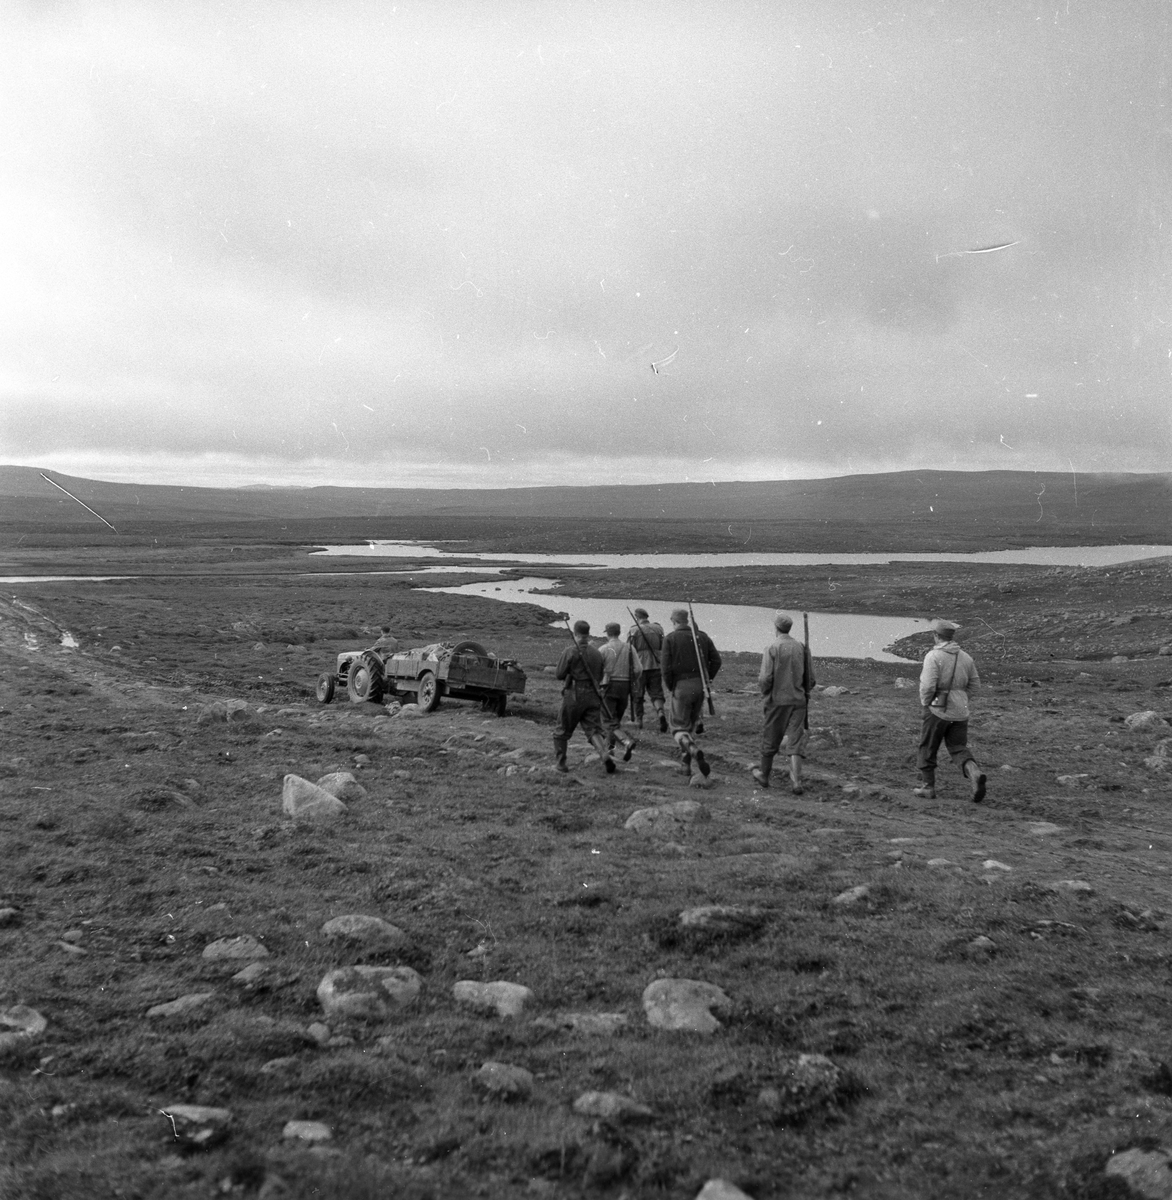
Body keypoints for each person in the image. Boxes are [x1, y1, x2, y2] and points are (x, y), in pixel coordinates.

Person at [915, 618, 986, 801]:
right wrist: (961, 698)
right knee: (957, 747)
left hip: (938, 707)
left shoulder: (934, 656)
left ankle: (928, 787)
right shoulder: (966, 657)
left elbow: (928, 686)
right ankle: (974, 773)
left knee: (928, 745)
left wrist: (926, 704)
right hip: (961, 709)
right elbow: (975, 685)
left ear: (936, 636)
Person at [752, 612, 814, 794]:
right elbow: (811, 678)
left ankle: (764, 775)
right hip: (799, 701)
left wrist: (766, 694)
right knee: (795, 741)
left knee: (771, 737)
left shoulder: (772, 647)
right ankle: (796, 782)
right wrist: (804, 691)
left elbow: (765, 678)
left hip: (777, 701)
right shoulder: (801, 647)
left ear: (776, 628)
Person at [660, 607, 722, 779]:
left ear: (674, 621)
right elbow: (716, 660)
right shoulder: (702, 636)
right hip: (700, 686)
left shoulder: (670, 638)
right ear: (686, 620)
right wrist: (707, 680)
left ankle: (692, 749)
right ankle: (685, 766)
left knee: (678, 727)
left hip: (681, 685)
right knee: (690, 726)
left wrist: (671, 686)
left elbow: (665, 668)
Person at [553, 620, 616, 775]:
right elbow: (600, 675)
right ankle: (604, 754)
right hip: (593, 695)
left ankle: (561, 764)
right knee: (593, 729)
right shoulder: (597, 653)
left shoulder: (570, 651)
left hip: (574, 694)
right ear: (588, 634)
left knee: (562, 730)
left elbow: (559, 674)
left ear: (575, 633)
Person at [599, 622, 640, 760]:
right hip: (626, 687)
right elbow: (638, 669)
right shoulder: (630, 648)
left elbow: (597, 670)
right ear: (619, 632)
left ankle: (626, 742)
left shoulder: (604, 649)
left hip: (609, 686)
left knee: (608, 721)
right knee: (615, 720)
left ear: (608, 633)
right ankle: (610, 750)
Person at [627, 608, 668, 732]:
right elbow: (662, 646)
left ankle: (639, 719)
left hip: (639, 666)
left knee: (638, 694)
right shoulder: (658, 628)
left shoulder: (633, 630)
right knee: (656, 693)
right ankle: (660, 712)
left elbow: (629, 649)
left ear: (636, 616)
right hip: (655, 665)